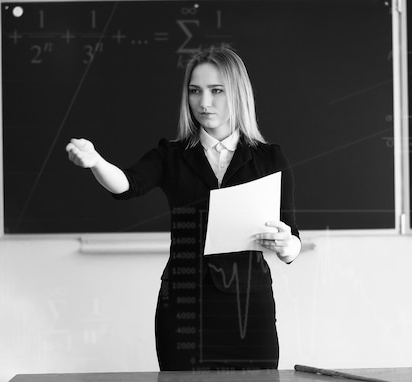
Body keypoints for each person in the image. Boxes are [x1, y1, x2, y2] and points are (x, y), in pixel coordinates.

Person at [66, 45, 301, 371]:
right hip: (184, 308)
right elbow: (127, 184)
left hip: (250, 310)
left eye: (216, 91)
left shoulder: (269, 158)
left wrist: (288, 244)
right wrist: (96, 162)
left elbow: (291, 240)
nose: (204, 103)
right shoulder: (171, 155)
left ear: (237, 93)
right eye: (195, 91)